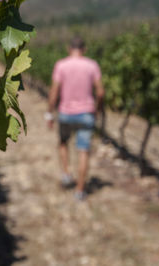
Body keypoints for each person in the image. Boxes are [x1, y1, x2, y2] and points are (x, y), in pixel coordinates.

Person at [46, 37, 105, 201]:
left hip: (66, 113)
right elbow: (100, 92)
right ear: (84, 49)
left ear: (68, 48)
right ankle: (80, 190)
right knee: (83, 151)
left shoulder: (61, 65)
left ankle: (66, 173)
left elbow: (54, 91)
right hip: (87, 113)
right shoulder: (92, 65)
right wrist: (97, 109)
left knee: (63, 143)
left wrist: (49, 112)